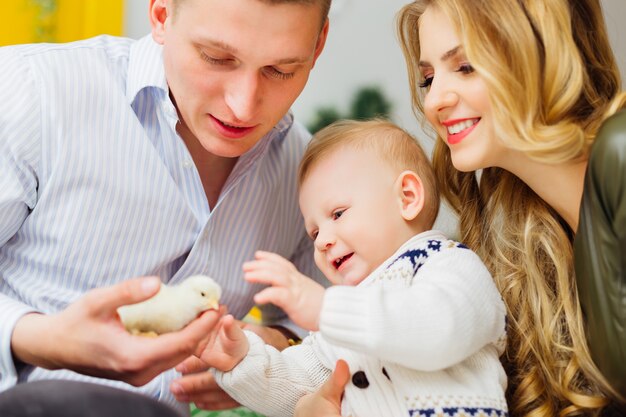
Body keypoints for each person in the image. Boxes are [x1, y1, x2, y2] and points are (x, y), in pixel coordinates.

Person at [295, 1, 626, 417]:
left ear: (539, 52)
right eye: (428, 79)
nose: (434, 101)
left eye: (466, 67)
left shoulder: (620, 153)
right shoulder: (518, 236)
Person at [0, 0, 331, 415]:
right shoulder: (30, 91)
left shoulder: (309, 173)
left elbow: (331, 325)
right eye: (216, 58)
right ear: (160, 15)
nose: (244, 105)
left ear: (318, 45)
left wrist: (268, 356)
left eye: (281, 70)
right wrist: (42, 339)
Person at [198, 119, 509, 417]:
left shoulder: (449, 263)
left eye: (337, 214)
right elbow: (297, 387)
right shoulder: (340, 320)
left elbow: (441, 328)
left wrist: (325, 310)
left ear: (407, 197)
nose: (322, 242)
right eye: (314, 232)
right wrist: (241, 361)